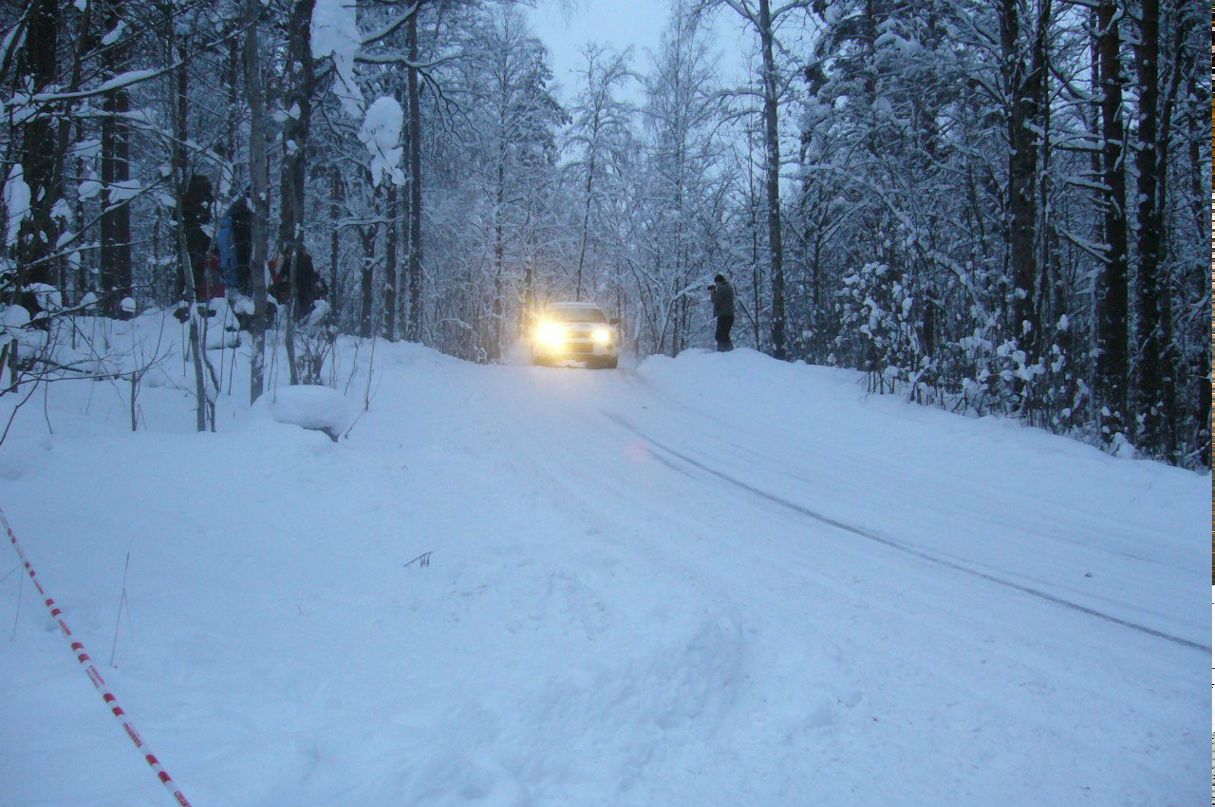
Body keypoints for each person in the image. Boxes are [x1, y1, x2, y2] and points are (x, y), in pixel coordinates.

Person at [708, 273, 735, 352]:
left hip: (725, 315)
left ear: (718, 282)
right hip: (727, 314)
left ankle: (724, 352)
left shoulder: (722, 288)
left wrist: (713, 292)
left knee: (721, 336)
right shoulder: (727, 287)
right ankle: (728, 351)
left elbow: (715, 300)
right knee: (723, 335)